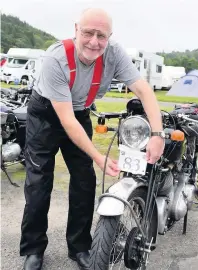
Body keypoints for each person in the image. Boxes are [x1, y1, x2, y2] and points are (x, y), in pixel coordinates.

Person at [20, 8, 165, 270]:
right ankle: (33, 249)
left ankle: (80, 247)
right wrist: (98, 156)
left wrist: (157, 134)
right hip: (46, 115)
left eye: (102, 35)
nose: (94, 42)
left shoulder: (114, 54)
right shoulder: (57, 59)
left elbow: (144, 91)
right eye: (88, 33)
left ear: (110, 36)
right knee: (39, 182)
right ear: (76, 29)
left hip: (79, 111)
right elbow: (66, 121)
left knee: (85, 182)